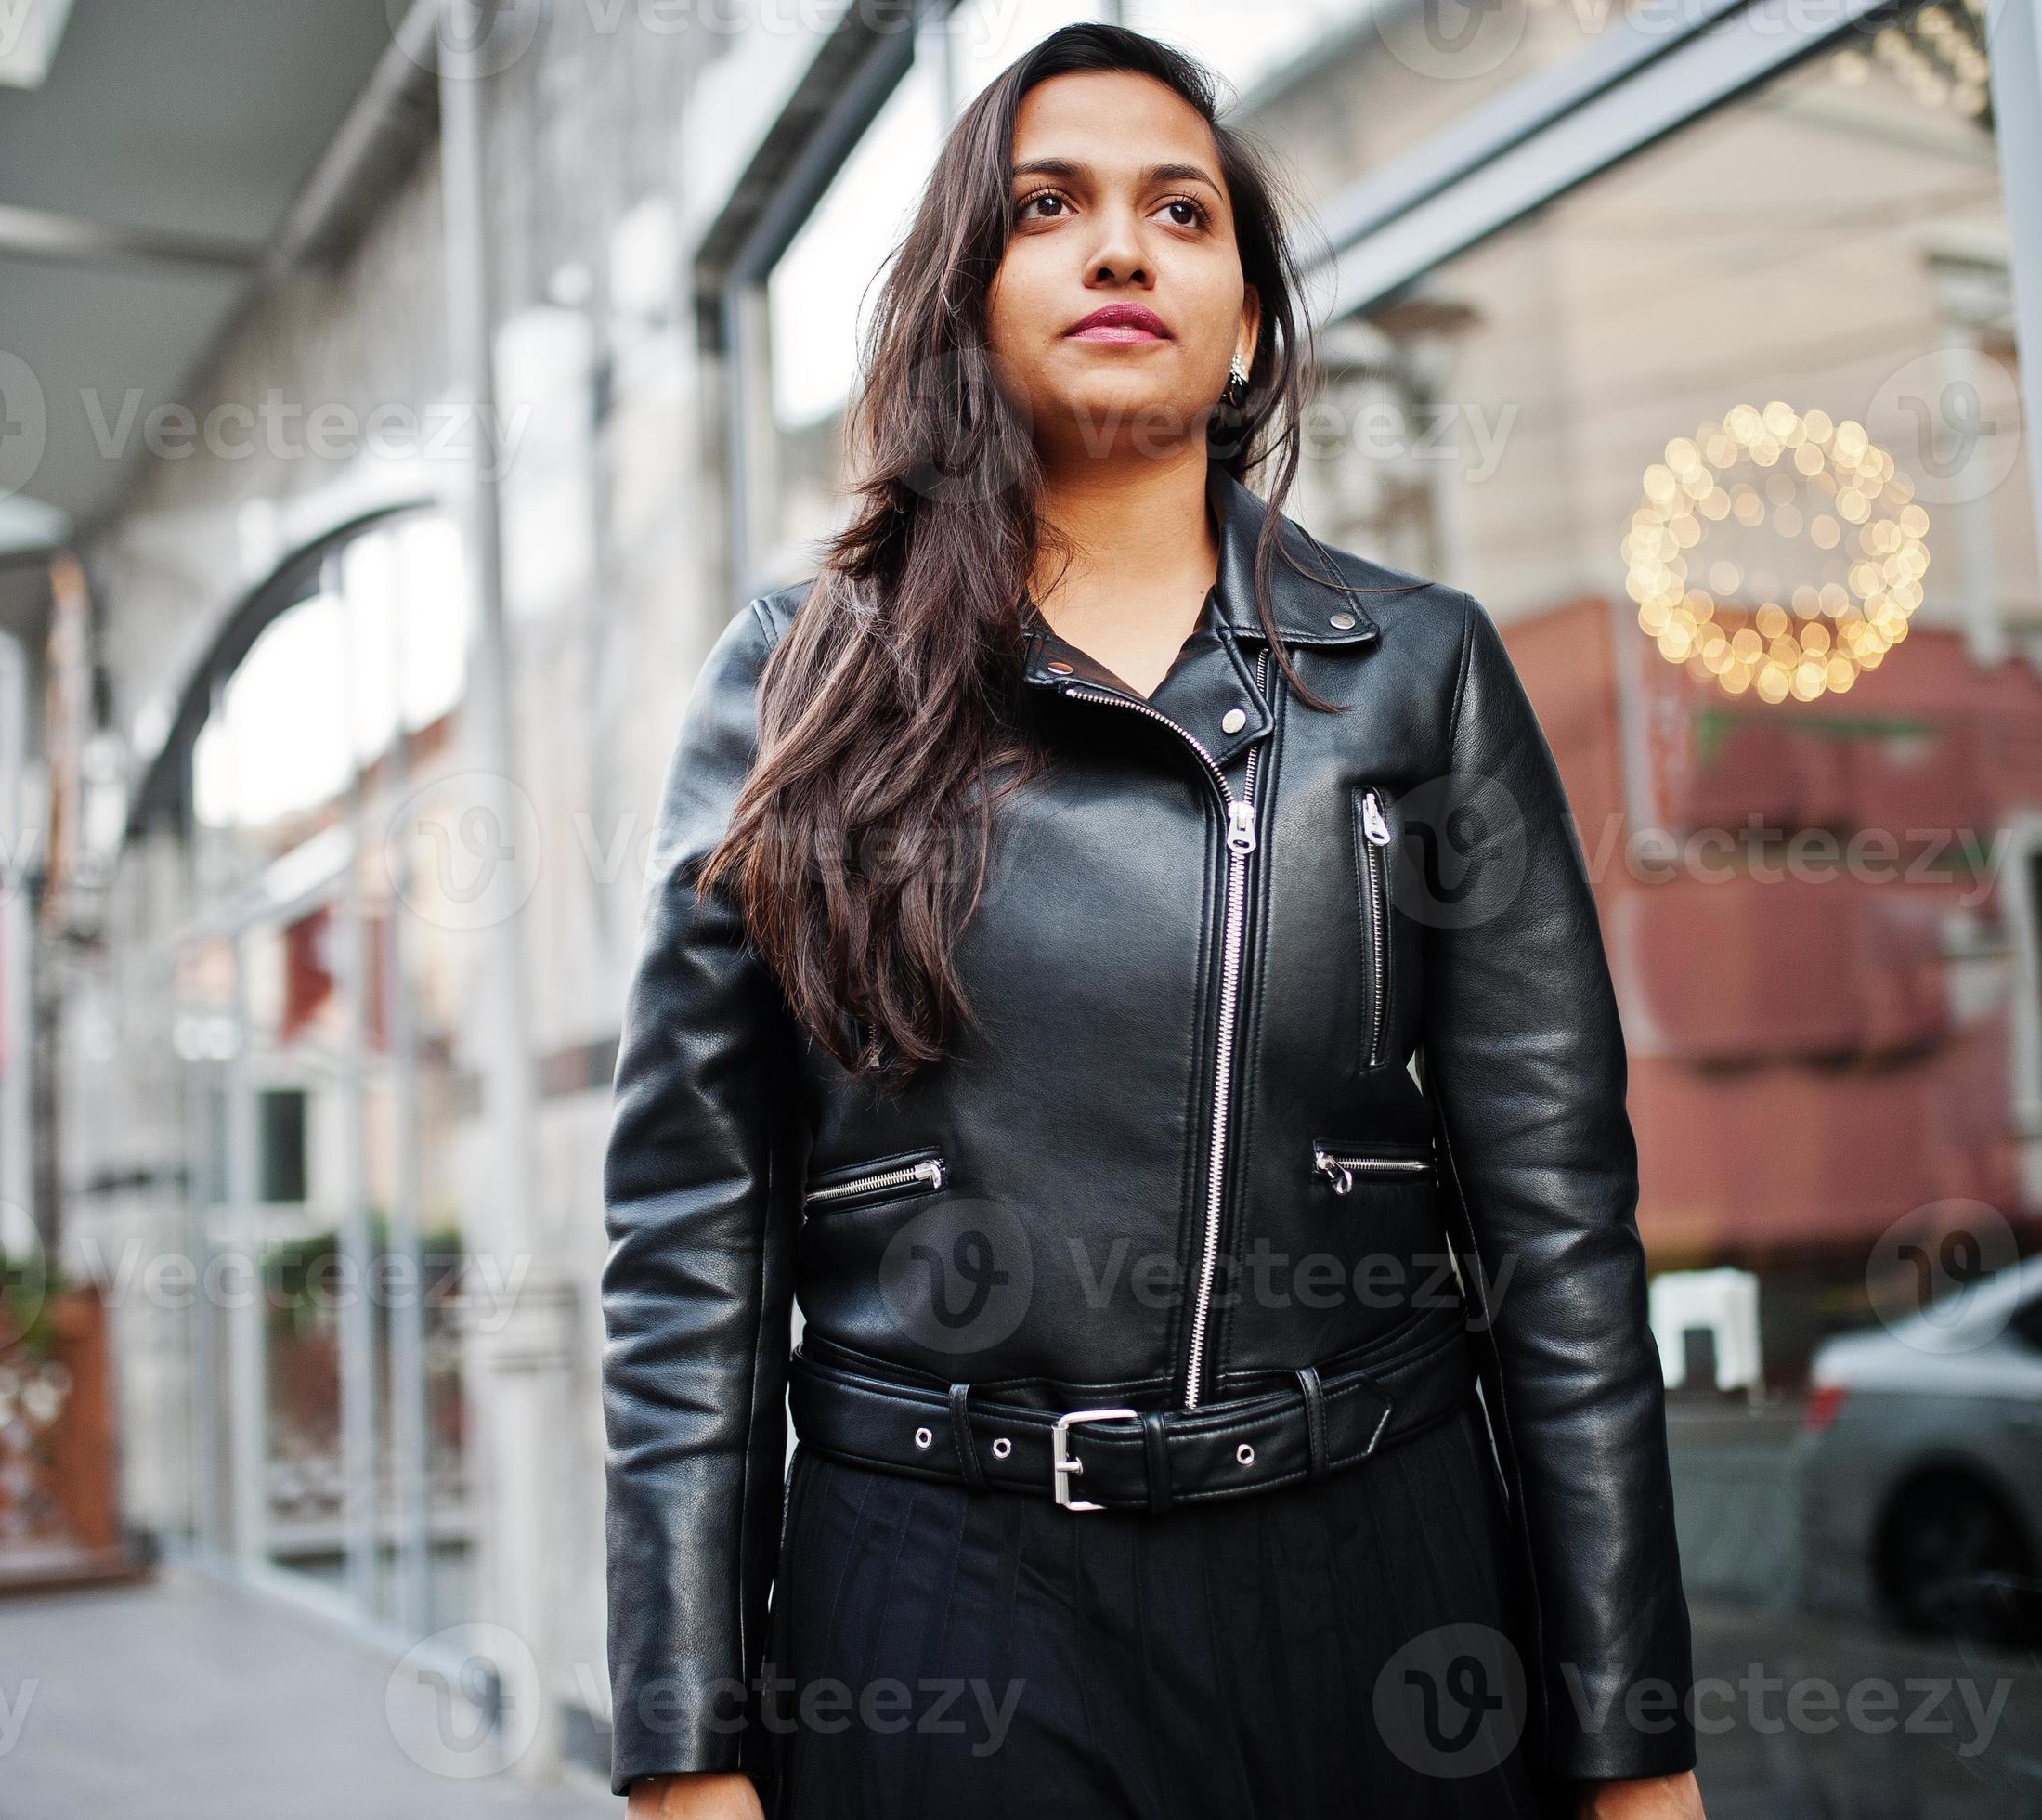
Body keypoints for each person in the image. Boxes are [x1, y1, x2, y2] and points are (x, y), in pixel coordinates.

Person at [602, 24, 1702, 1820]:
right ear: (969, 293)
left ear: (1249, 317)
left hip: (1380, 1574)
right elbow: (686, 1243)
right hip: (942, 1597)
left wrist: (1631, 1739)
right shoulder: (791, 681)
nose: (1121, 248)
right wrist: (684, 1744)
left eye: (1178, 212)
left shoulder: (1414, 674)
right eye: (1051, 206)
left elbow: (1560, 1238)